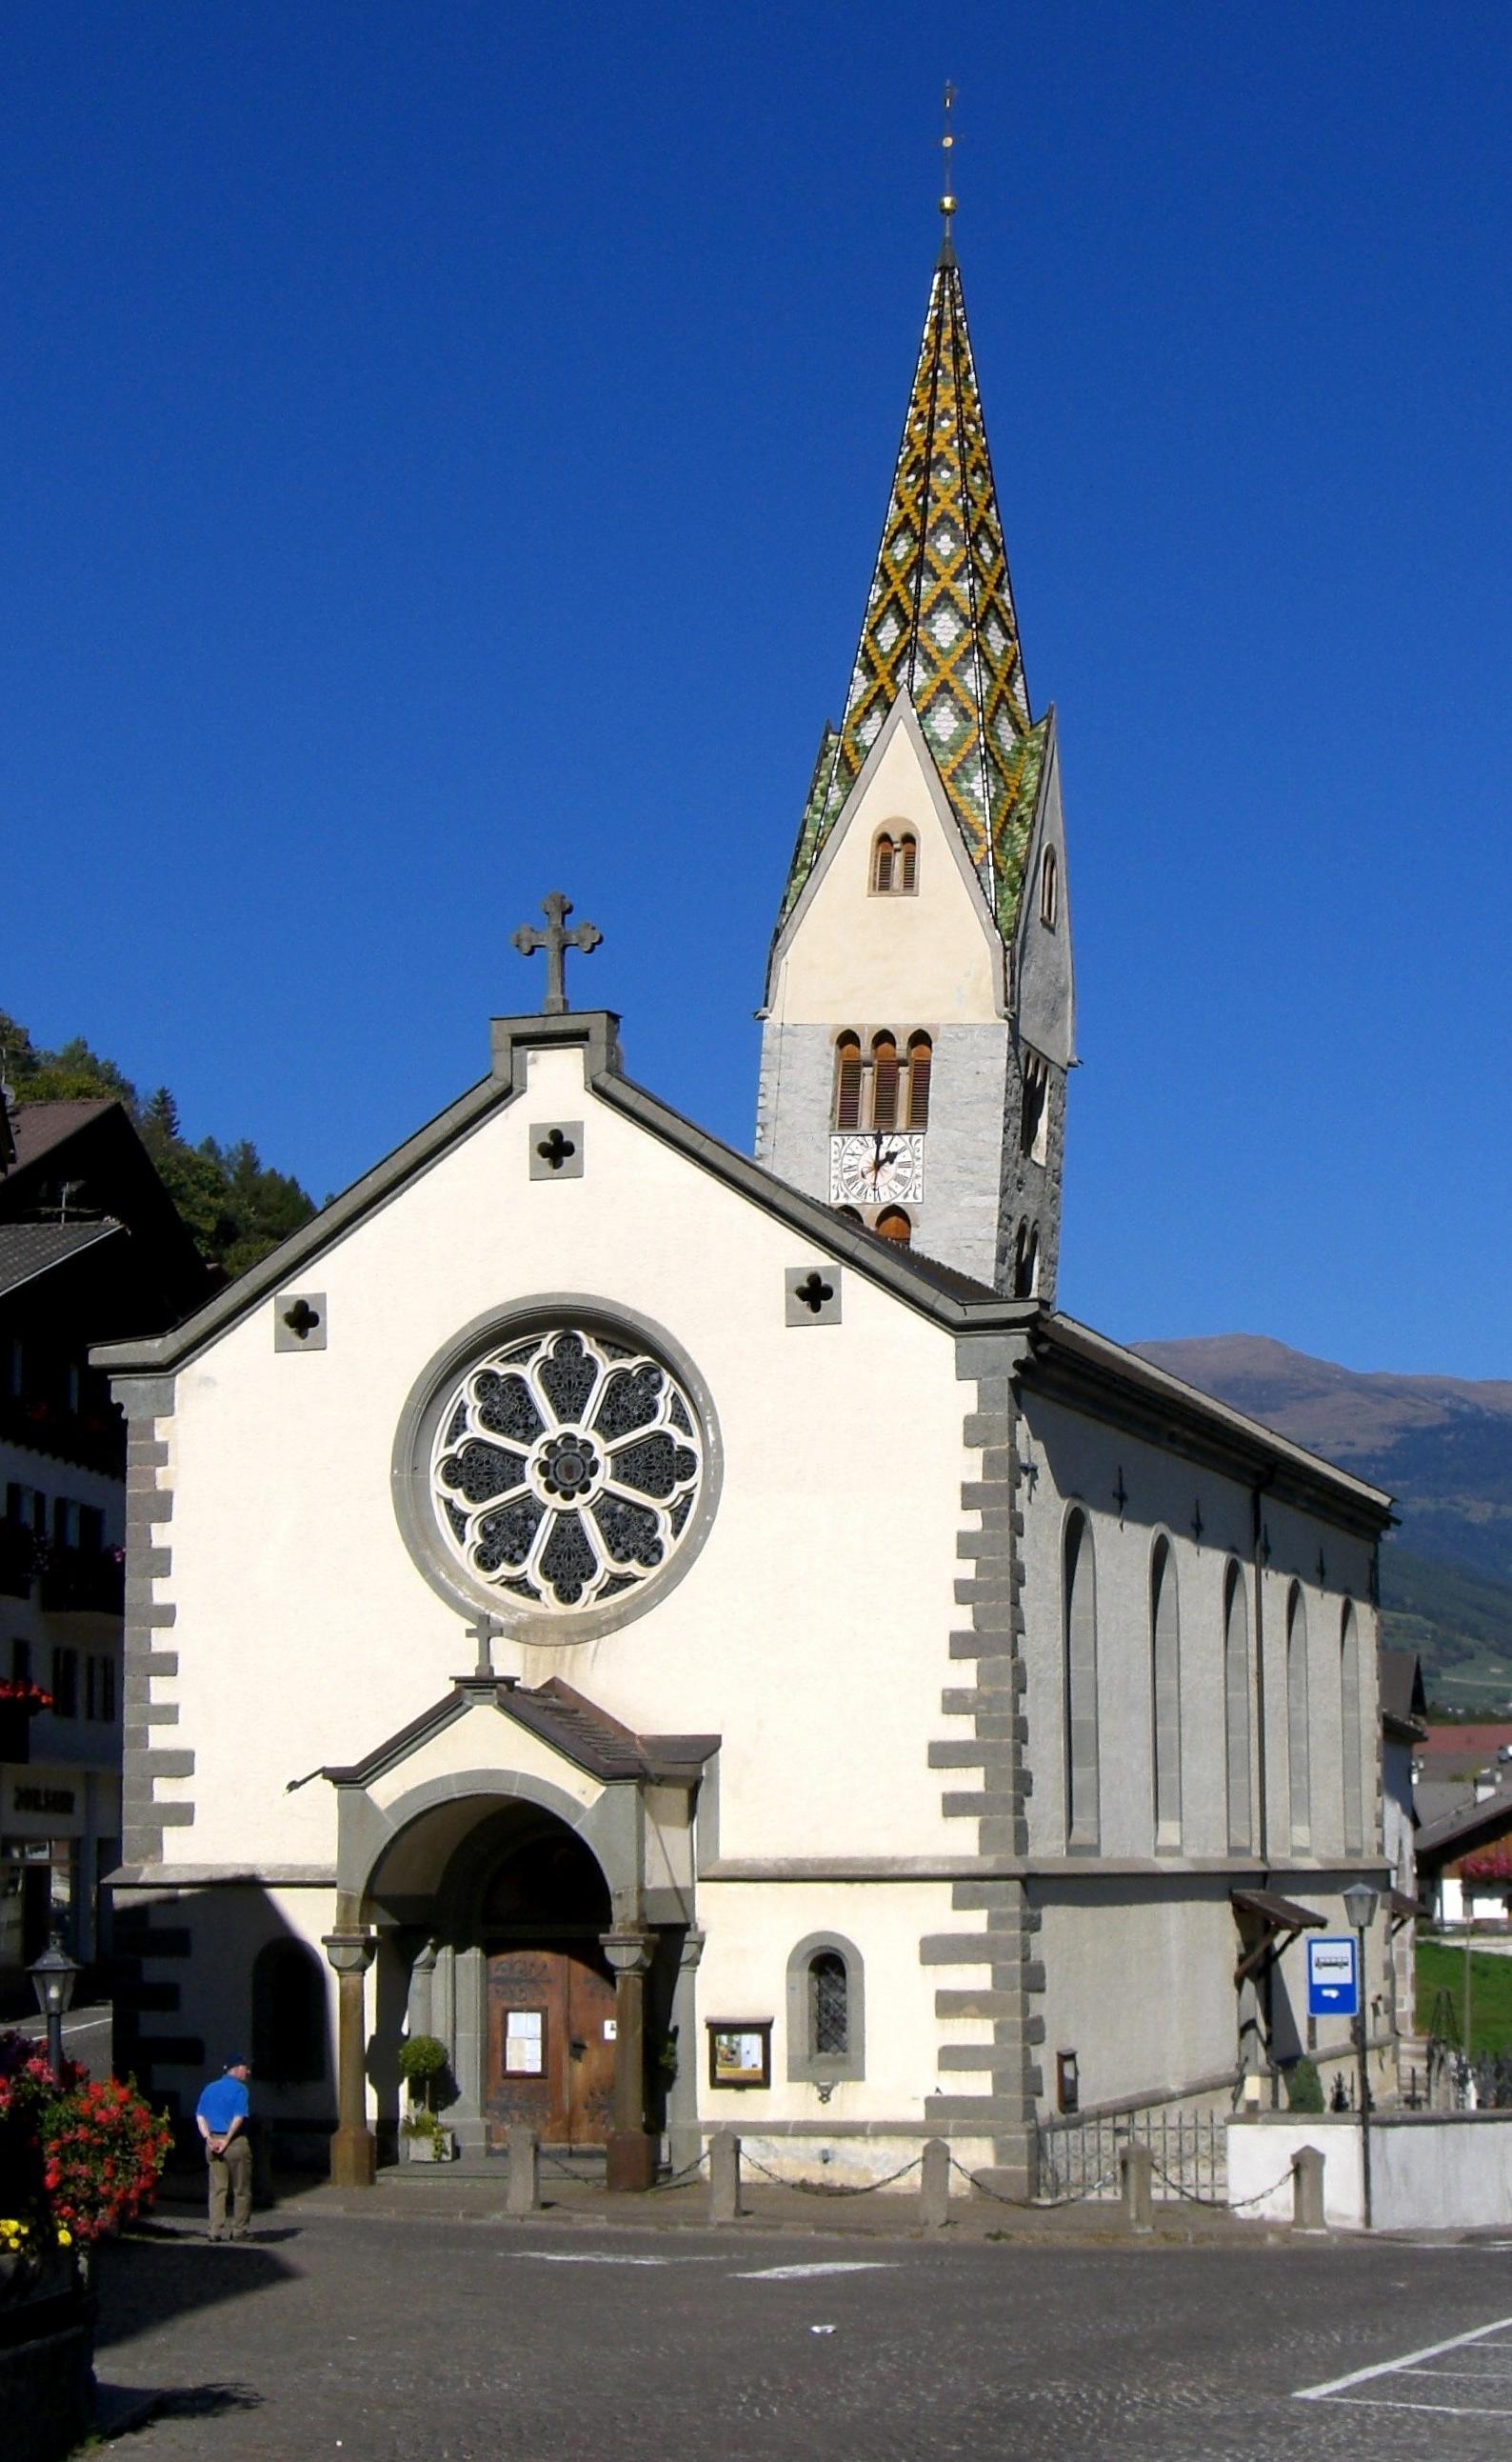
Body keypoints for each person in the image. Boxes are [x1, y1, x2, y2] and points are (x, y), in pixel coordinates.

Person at [195, 2059, 252, 2241]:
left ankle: (214, 2230)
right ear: (237, 2069)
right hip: (235, 2142)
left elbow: (200, 2116)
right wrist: (227, 2140)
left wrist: (208, 2138)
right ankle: (239, 2230)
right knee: (241, 2189)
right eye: (245, 2068)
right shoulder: (240, 2090)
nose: (248, 2072)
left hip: (213, 2140)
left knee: (217, 2189)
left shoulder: (210, 2088)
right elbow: (238, 2117)